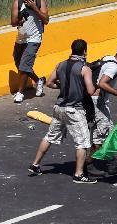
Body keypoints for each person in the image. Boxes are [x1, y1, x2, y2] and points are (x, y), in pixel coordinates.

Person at [28, 39, 98, 183]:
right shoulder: (85, 69)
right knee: (83, 142)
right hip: (74, 110)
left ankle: (35, 164)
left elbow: (49, 82)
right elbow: (91, 91)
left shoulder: (61, 65)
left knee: (50, 136)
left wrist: (65, 86)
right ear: (84, 51)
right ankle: (79, 174)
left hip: (59, 108)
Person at [90, 44, 117, 174]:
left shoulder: (108, 58)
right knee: (101, 134)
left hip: (99, 102)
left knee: (109, 131)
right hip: (97, 102)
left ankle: (110, 160)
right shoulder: (113, 66)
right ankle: (89, 164)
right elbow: (102, 83)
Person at [11, 0, 49, 103]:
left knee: (24, 65)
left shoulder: (40, 3)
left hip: (34, 39)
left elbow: (46, 20)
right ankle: (39, 81)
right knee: (19, 63)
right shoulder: (18, 3)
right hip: (21, 38)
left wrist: (35, 8)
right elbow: (13, 22)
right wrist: (19, 19)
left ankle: (20, 93)